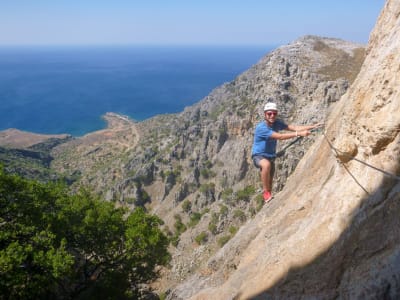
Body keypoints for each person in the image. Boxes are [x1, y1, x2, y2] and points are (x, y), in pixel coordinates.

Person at [251, 102, 323, 202]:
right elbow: (280, 137)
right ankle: (265, 192)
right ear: (265, 114)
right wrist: (299, 134)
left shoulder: (277, 123)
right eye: (269, 114)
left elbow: (293, 127)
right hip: (258, 155)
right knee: (266, 165)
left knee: (270, 183)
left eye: (274, 114)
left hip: (271, 156)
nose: (272, 116)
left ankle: (268, 197)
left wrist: (312, 126)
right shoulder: (261, 128)